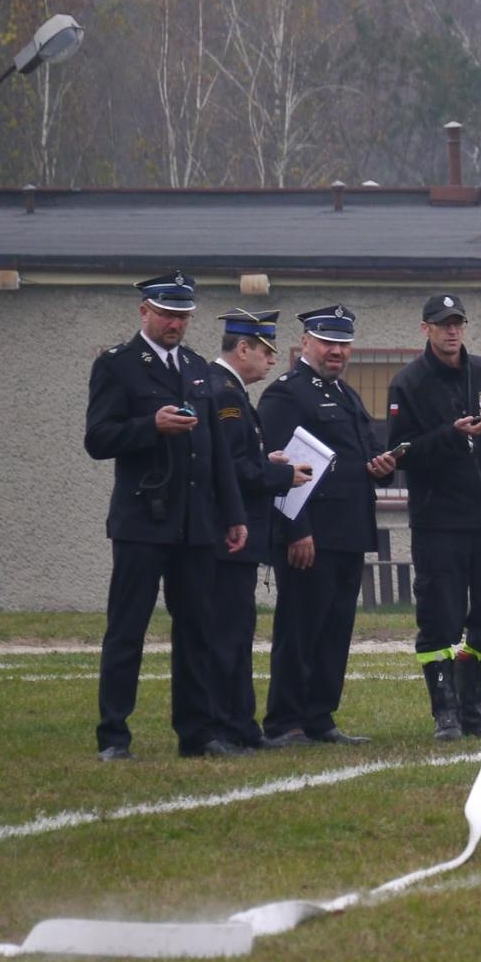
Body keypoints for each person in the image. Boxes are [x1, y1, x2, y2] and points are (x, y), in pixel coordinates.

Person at [84, 271, 249, 760]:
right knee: (127, 629)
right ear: (145, 312)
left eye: (183, 315)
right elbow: (98, 439)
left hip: (196, 522)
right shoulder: (117, 366)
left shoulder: (199, 369)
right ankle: (114, 734)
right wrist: (149, 426)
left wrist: (233, 514)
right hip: (142, 520)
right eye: (167, 314)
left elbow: (217, 449)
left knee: (198, 628)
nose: (175, 323)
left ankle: (196, 733)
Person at [385, 293, 481, 742]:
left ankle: (473, 705)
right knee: (441, 619)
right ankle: (445, 711)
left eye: (458, 323)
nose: (452, 331)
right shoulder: (408, 383)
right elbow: (401, 451)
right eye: (443, 324)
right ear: (425, 328)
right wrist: (450, 436)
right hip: (439, 521)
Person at [258, 305, 397, 747]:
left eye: (343, 343)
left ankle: (320, 716)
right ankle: (285, 721)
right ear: (306, 344)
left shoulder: (345, 395)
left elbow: (366, 454)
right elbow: (280, 469)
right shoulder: (286, 394)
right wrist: (297, 529)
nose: (336, 351)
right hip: (311, 532)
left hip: (349, 529)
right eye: (327, 342)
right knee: (301, 626)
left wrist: (383, 465)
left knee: (335, 628)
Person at [205, 309, 313, 749]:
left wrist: (266, 465)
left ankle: (243, 727)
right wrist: (281, 477)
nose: (271, 360)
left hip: (241, 531)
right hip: (231, 531)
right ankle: (226, 726)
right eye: (265, 351)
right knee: (227, 634)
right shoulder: (225, 394)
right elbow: (232, 470)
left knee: (239, 630)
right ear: (242, 348)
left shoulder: (232, 391)